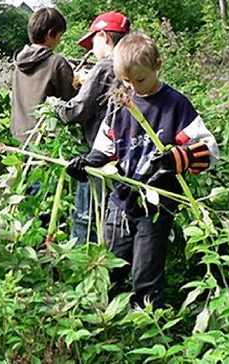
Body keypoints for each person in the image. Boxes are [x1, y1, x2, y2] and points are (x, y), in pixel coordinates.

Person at [66, 34, 219, 310]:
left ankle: (148, 319)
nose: (134, 87)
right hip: (121, 198)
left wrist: (177, 158)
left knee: (146, 269)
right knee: (111, 261)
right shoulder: (121, 101)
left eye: (140, 80)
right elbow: (105, 146)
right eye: (126, 81)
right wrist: (87, 164)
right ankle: (104, 314)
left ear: (157, 65)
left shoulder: (175, 104)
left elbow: (209, 150)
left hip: (158, 203)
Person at [55, 11, 131, 245]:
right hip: (128, 155)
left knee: (86, 216)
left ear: (104, 37)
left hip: (101, 153)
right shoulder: (132, 63)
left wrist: (56, 106)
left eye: (93, 42)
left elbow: (75, 111)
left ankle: (81, 267)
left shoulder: (105, 66)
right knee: (115, 216)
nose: (92, 49)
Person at [10, 7, 77, 145]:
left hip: (19, 135)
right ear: (50, 34)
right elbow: (69, 102)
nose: (59, 41)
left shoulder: (19, 62)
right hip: (44, 139)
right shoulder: (56, 62)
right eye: (59, 36)